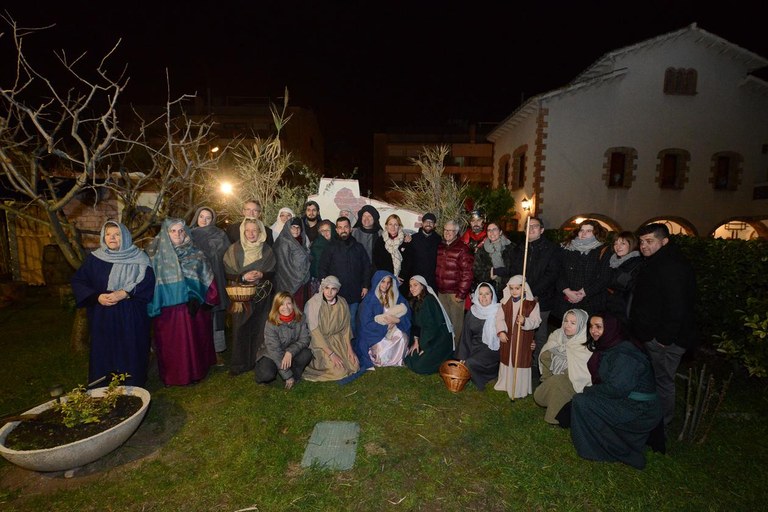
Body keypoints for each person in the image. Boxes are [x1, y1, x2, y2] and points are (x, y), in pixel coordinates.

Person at [571, 313, 662, 469]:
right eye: (591, 326)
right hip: (626, 400)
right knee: (582, 400)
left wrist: (590, 391)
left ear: (611, 328)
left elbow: (616, 388)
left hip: (639, 409)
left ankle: (610, 450)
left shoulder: (625, 354)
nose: (594, 331)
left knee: (581, 401)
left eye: (599, 326)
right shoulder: (610, 347)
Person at [629, 223, 697, 431]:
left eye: (649, 241)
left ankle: (661, 423)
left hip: (666, 340)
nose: (643, 246)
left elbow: (678, 306)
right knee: (654, 378)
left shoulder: (672, 266)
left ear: (664, 241)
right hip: (652, 335)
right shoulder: (655, 262)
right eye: (641, 241)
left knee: (663, 381)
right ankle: (651, 416)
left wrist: (664, 339)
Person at [71, 220, 156, 387]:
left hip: (130, 313)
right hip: (103, 314)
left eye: (117, 234)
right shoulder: (95, 259)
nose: (112, 238)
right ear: (103, 237)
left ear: (124, 236)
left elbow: (148, 281)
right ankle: (103, 389)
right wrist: (96, 297)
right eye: (108, 234)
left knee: (131, 349)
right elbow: (79, 281)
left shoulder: (140, 257)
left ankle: (133, 386)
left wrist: (124, 293)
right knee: (104, 350)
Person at [147, 218, 219, 386]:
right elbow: (148, 284)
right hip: (166, 311)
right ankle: (174, 376)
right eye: (173, 231)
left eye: (181, 230)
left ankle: (196, 373)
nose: (178, 234)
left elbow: (208, 279)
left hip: (193, 308)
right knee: (171, 345)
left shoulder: (196, 253)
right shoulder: (154, 256)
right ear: (166, 233)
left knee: (194, 343)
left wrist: (203, 299)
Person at [223, 218, 276, 376]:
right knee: (240, 329)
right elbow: (228, 270)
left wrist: (262, 274)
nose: (251, 233)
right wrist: (243, 277)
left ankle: (256, 360)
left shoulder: (267, 251)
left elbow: (272, 272)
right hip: (241, 297)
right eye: (248, 230)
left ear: (260, 232)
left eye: (255, 230)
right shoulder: (234, 250)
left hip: (262, 296)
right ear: (243, 232)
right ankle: (239, 364)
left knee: (259, 328)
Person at [510, 217, 560, 382]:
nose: (531, 229)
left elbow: (552, 274)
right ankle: (522, 362)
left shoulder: (551, 249)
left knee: (539, 333)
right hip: (521, 296)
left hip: (541, 298)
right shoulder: (520, 248)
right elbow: (515, 270)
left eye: (535, 226)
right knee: (521, 329)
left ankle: (539, 367)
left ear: (542, 230)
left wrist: (532, 292)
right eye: (528, 227)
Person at [318, 216, 373, 337]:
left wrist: (365, 286)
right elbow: (322, 269)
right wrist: (325, 289)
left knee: (352, 321)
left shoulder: (359, 248)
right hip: (336, 294)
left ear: (350, 229)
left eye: (346, 227)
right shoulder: (330, 248)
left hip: (354, 293)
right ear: (336, 230)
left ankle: (351, 349)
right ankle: (337, 347)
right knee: (336, 321)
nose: (343, 230)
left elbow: (366, 268)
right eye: (340, 227)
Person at [534, 308, 590, 425]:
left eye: (573, 323)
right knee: (548, 386)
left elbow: (582, 373)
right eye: (566, 321)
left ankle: (553, 417)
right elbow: (545, 355)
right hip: (553, 378)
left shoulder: (585, 344)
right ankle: (547, 391)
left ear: (581, 325)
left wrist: (563, 375)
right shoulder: (557, 335)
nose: (567, 325)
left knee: (558, 382)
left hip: (573, 384)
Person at [190, 206, 231, 365]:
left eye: (208, 217)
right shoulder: (189, 235)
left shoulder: (220, 234)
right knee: (199, 316)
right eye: (202, 216)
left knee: (216, 316)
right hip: (197, 281)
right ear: (196, 217)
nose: (205, 220)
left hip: (217, 278)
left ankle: (217, 351)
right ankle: (199, 350)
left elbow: (227, 257)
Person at [302, 276, 361, 382]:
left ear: (337, 290)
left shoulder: (342, 303)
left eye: (333, 289)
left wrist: (350, 349)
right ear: (322, 288)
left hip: (338, 341)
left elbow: (346, 328)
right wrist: (331, 354)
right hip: (321, 344)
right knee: (340, 371)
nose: (329, 292)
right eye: (327, 288)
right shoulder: (313, 304)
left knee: (354, 366)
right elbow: (315, 333)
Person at [495, 275, 541, 399]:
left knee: (520, 360)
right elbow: (499, 318)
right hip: (508, 339)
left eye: (517, 288)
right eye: (511, 288)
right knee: (507, 359)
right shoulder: (505, 302)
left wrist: (525, 320)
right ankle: (505, 383)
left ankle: (519, 387)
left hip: (523, 340)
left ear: (524, 288)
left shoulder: (532, 304)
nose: (514, 291)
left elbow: (536, 321)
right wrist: (501, 331)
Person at [554, 220, 611, 321]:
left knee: (585, 334)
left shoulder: (603, 250)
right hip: (566, 301)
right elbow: (558, 271)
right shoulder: (566, 248)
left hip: (590, 302)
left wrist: (583, 293)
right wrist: (566, 291)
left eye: (589, 231)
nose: (584, 233)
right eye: (581, 230)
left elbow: (604, 277)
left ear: (596, 233)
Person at [355, 270, 412, 369]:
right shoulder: (369, 300)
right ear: (377, 281)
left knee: (402, 337)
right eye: (383, 282)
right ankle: (383, 358)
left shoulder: (396, 296)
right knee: (381, 352)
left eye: (388, 282)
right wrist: (385, 327)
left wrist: (397, 321)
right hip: (377, 333)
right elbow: (366, 323)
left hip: (394, 328)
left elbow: (406, 313)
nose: (385, 285)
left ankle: (397, 360)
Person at [255, 292, 313, 389]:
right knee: (267, 374)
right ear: (276, 307)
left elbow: (305, 339)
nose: (286, 307)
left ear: (293, 304)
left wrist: (290, 351)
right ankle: (263, 373)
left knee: (306, 354)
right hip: (271, 353)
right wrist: (287, 376)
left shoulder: (300, 317)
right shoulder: (271, 323)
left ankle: (295, 374)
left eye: (288, 303)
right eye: (281, 304)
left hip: (291, 351)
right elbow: (275, 351)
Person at [456, 282, 505, 390]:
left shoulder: (499, 311)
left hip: (491, 347)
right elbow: (466, 335)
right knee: (464, 362)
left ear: (492, 295)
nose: (483, 297)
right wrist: (462, 356)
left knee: (470, 363)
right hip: (475, 346)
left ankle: (489, 377)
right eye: (481, 294)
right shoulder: (472, 311)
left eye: (487, 294)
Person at [404, 275, 454, 374]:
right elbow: (416, 325)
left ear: (422, 286)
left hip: (438, 340)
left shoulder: (428, 301)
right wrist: (416, 341)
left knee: (419, 366)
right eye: (410, 286)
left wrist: (424, 347)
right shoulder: (416, 301)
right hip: (426, 338)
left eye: (415, 285)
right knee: (411, 357)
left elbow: (431, 327)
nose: (412, 288)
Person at [435, 220, 474, 340]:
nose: (447, 233)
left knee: (456, 326)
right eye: (445, 230)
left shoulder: (462, 248)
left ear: (456, 232)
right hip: (441, 292)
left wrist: (461, 294)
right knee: (445, 324)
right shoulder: (440, 246)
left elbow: (467, 273)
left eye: (450, 230)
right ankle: (447, 351)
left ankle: (457, 354)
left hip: (455, 294)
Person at [273, 217, 311, 310]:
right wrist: (297, 277)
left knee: (299, 310)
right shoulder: (283, 242)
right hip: (287, 283)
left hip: (302, 284)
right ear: (287, 228)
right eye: (293, 227)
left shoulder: (302, 241)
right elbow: (283, 266)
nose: (296, 230)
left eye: (298, 227)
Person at [605, 231, 642, 326]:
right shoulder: (612, 261)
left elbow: (624, 284)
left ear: (632, 244)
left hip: (623, 310)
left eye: (623, 243)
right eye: (615, 243)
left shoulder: (636, 263)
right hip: (610, 306)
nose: (618, 246)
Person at [472, 221, 515, 298]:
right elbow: (476, 271)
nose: (491, 232)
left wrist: (504, 274)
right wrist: (491, 273)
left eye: (494, 229)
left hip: (510, 290)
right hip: (489, 291)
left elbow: (517, 269)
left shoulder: (511, 248)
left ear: (500, 232)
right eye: (489, 230)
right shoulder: (481, 250)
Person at [400, 212, 441, 291]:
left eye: (431, 222)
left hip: (431, 281)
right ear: (422, 223)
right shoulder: (413, 238)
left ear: (435, 225)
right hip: (415, 279)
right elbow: (406, 258)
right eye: (426, 222)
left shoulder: (438, 240)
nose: (428, 224)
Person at [372, 213, 411, 293]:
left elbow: (409, 262)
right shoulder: (380, 241)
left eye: (396, 224)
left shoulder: (406, 241)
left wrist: (400, 277)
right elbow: (377, 261)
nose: (393, 227)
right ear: (386, 226)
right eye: (390, 224)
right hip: (385, 281)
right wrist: (390, 277)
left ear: (399, 226)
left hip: (401, 281)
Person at [309, 219, 334, 295]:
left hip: (333, 280)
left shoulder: (337, 244)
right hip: (319, 280)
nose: (325, 232)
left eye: (328, 230)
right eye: (322, 230)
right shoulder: (316, 244)